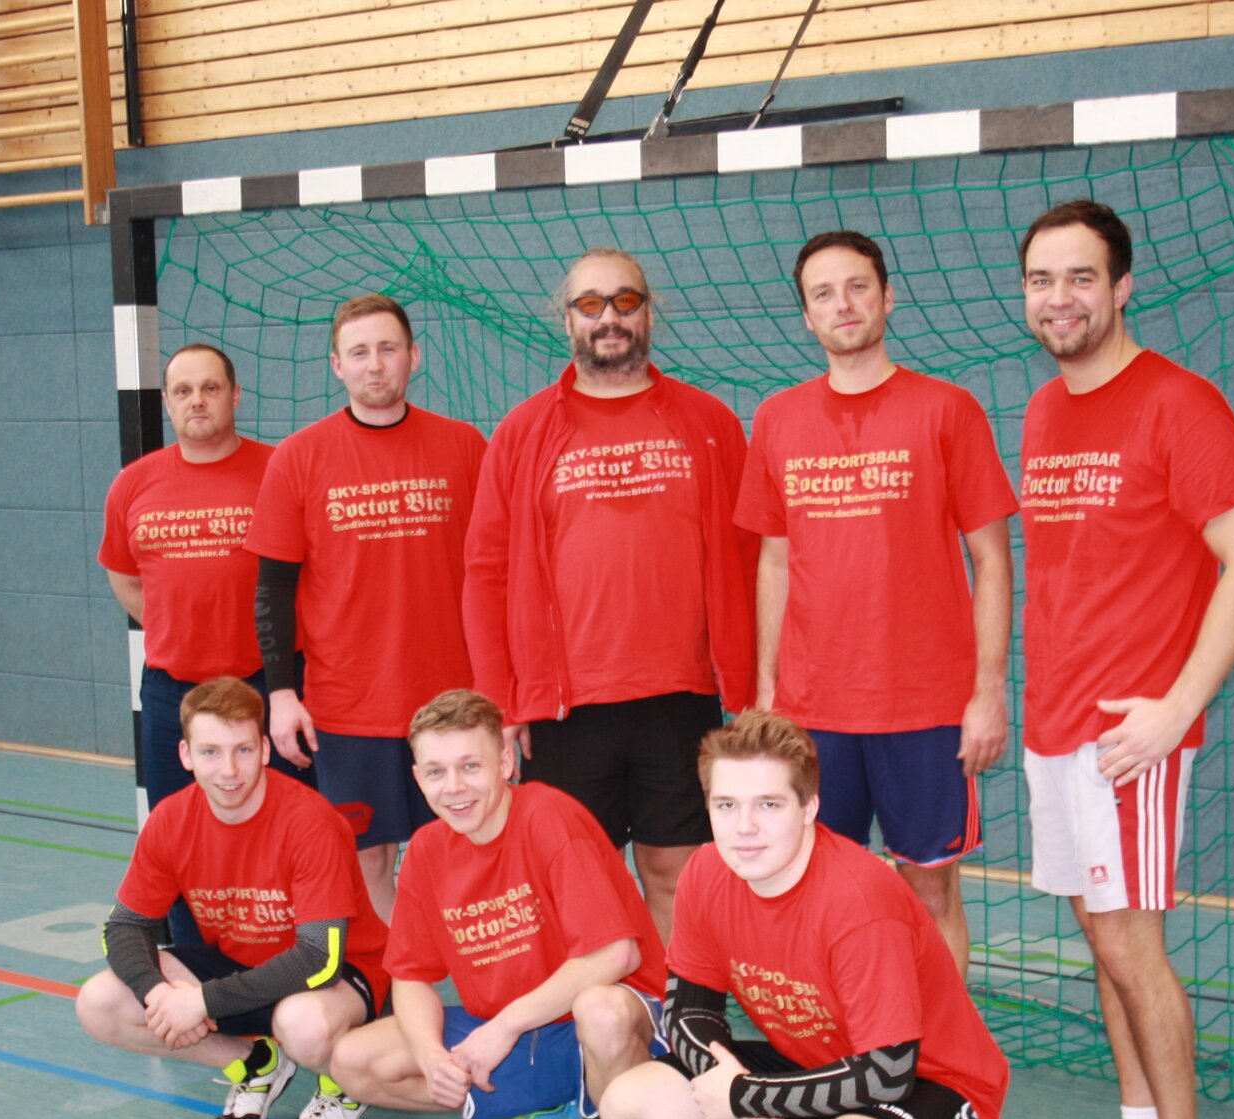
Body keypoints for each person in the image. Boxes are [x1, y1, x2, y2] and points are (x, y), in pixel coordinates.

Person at [1017, 200, 1234, 1119]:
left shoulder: (1177, 402)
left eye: (1079, 278)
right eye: (1040, 279)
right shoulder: (1041, 409)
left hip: (1127, 732)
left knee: (1136, 947)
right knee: (1101, 947)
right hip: (1054, 724)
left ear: (1121, 288)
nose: (1058, 298)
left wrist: (1176, 707)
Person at [598, 711, 1009, 1119]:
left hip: (936, 1085)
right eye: (726, 803)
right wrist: (723, 1082)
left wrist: (743, 1098)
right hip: (814, 1067)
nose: (745, 827)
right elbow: (687, 1007)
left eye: (769, 803)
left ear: (810, 806)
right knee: (630, 1106)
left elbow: (887, 1072)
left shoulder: (856, 902)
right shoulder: (709, 872)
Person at [735, 230, 1017, 975]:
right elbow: (774, 560)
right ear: (806, 316)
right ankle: (839, 1060)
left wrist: (987, 692)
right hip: (813, 708)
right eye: (823, 293)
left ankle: (942, 1070)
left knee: (930, 894)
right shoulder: (777, 418)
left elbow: (992, 560)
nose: (843, 304)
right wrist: (767, 690)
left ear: (888, 296)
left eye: (858, 286)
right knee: (815, 891)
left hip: (924, 708)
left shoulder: (948, 409)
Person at [461, 247, 757, 944]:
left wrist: (748, 687)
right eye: (590, 304)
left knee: (676, 874)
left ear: (650, 310)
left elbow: (750, 563)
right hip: (564, 707)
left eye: (625, 301)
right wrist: (502, 703)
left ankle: (677, 1031)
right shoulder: (522, 433)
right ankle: (594, 1039)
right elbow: (484, 574)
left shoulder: (709, 421)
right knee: (574, 886)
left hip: (681, 696)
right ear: (566, 319)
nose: (609, 318)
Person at [328, 688, 669, 1119]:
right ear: (417, 779)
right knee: (353, 1061)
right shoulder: (430, 851)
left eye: (470, 766)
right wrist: (432, 1054)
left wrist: (505, 1027)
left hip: (607, 1029)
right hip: (515, 1035)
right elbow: (410, 976)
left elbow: (618, 956)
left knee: (601, 1008)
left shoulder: (550, 819)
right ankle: (554, 1108)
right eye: (436, 771)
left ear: (506, 763)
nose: (454, 787)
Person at [246, 295, 487, 924]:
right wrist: (279, 694)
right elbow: (272, 589)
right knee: (368, 860)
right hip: (348, 703)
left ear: (415, 356)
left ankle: (478, 997)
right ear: (336, 365)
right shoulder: (297, 458)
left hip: (452, 701)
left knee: (470, 851)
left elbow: (496, 577)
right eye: (359, 353)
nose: (375, 365)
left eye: (388, 349)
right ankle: (393, 994)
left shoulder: (465, 447)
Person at [75, 676, 391, 1119]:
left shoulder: (310, 822)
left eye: (242, 750)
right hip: (242, 967)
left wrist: (201, 1003)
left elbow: (317, 959)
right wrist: (158, 993)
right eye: (210, 752)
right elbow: (124, 925)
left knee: (302, 1024)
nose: (229, 770)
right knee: (100, 1003)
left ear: (265, 749)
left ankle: (341, 1085)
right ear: (185, 755)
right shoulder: (170, 820)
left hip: (340, 973)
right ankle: (254, 1063)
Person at [98, 343, 290, 945]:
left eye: (210, 388)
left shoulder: (280, 469)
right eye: (183, 391)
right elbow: (124, 576)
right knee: (178, 833)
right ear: (167, 404)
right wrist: (175, 625)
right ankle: (193, 960)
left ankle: (290, 960)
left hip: (267, 686)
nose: (197, 401)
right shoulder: (133, 484)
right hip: (171, 693)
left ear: (236, 395)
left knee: (282, 827)